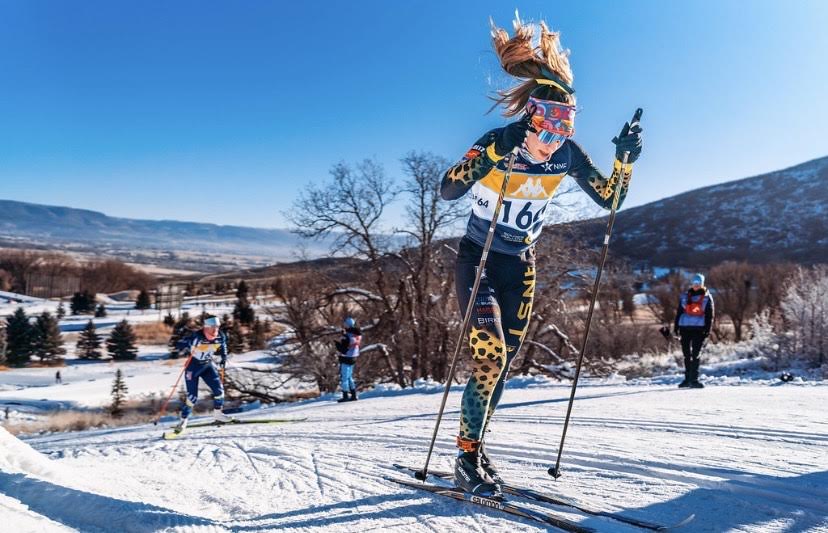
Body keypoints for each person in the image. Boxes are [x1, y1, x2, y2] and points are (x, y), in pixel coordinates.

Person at [441, 15, 643, 497]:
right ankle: (464, 457)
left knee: (504, 364)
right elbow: (448, 189)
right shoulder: (498, 142)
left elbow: (610, 198)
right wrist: (491, 156)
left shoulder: (566, 155)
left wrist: (623, 160)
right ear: (529, 119)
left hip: (520, 266)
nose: (549, 143)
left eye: (560, 134)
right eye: (544, 132)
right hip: (479, 258)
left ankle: (478, 445)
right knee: (488, 361)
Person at [174, 315, 231, 432]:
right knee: (192, 398)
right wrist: (183, 345)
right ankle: (183, 421)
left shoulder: (220, 336)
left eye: (217, 327)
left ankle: (218, 414)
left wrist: (223, 358)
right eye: (213, 327)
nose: (216, 330)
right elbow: (182, 343)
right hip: (193, 367)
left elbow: (223, 347)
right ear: (206, 327)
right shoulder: (197, 336)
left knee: (219, 391)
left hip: (207, 366)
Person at [674, 273, 714, 389]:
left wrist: (707, 330)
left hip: (699, 329)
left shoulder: (707, 298)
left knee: (695, 354)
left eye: (698, 283)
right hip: (685, 328)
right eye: (694, 283)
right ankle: (687, 379)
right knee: (686, 355)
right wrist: (676, 327)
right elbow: (679, 312)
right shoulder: (685, 297)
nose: (696, 285)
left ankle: (694, 379)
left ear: (702, 284)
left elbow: (709, 315)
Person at [334, 317, 362, 402]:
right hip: (354, 356)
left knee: (344, 377)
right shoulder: (358, 334)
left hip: (346, 357)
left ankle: (345, 395)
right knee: (350, 376)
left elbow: (344, 346)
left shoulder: (348, 335)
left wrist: (339, 342)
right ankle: (353, 394)